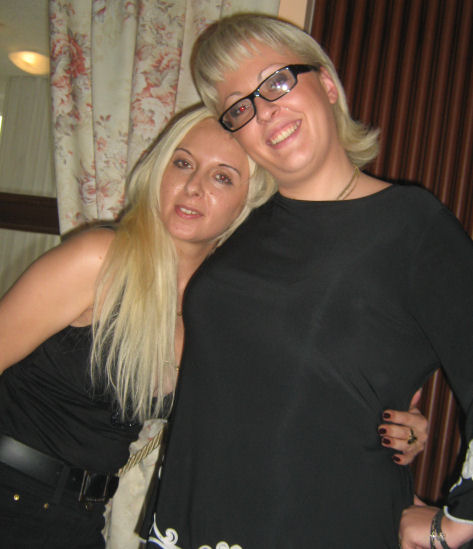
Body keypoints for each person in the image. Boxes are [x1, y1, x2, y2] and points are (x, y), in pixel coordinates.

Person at [146, 14, 473, 549]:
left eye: (276, 82)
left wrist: (455, 524)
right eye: (239, 107)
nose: (264, 111)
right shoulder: (241, 224)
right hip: (187, 525)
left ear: (325, 84)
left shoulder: (412, 224)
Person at [0, 105, 274, 549]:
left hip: (81, 520)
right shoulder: (99, 260)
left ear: (248, 202)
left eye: (223, 177)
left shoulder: (215, 313)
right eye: (182, 163)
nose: (193, 187)